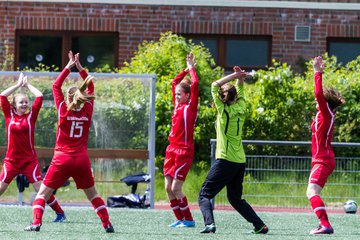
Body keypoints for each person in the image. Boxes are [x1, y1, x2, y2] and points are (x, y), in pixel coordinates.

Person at [24, 51, 114, 233]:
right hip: (81, 159)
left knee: (42, 194)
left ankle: (36, 223)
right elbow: (91, 87)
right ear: (81, 97)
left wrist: (68, 66)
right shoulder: (87, 109)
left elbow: (55, 86)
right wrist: (80, 68)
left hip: (62, 158)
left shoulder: (63, 109)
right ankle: (107, 224)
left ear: (68, 98)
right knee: (93, 195)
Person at [198, 66, 268, 234]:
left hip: (225, 160)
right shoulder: (241, 108)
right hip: (239, 162)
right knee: (235, 199)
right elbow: (240, 92)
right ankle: (259, 225)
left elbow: (215, 85)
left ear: (222, 99)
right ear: (236, 96)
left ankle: (210, 225)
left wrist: (235, 75)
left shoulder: (224, 112)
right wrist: (240, 79)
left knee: (204, 195)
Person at [0, 72, 66, 222]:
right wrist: (17, 85)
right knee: (1, 189)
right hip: (11, 161)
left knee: (41, 190)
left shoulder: (31, 116)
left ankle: (60, 214)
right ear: (14, 105)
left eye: (25, 102)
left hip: (29, 161)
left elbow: (40, 96)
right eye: (21, 102)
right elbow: (2, 96)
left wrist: (27, 85)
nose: (24, 104)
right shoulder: (9, 115)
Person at [306, 56, 345, 235]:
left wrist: (317, 72)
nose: (316, 102)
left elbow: (317, 94)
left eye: (320, 101)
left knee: (311, 192)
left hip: (323, 160)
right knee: (312, 192)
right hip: (321, 160)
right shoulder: (324, 115)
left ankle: (326, 225)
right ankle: (324, 224)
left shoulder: (326, 112)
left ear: (325, 103)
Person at [164, 52, 199, 228]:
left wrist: (192, 68)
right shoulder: (177, 105)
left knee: (176, 188)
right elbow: (173, 82)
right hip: (171, 149)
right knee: (168, 188)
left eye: (179, 94)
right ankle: (179, 218)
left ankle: (189, 219)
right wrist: (184, 69)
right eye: (176, 94)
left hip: (184, 151)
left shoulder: (191, 108)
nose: (176, 97)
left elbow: (196, 83)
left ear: (187, 95)